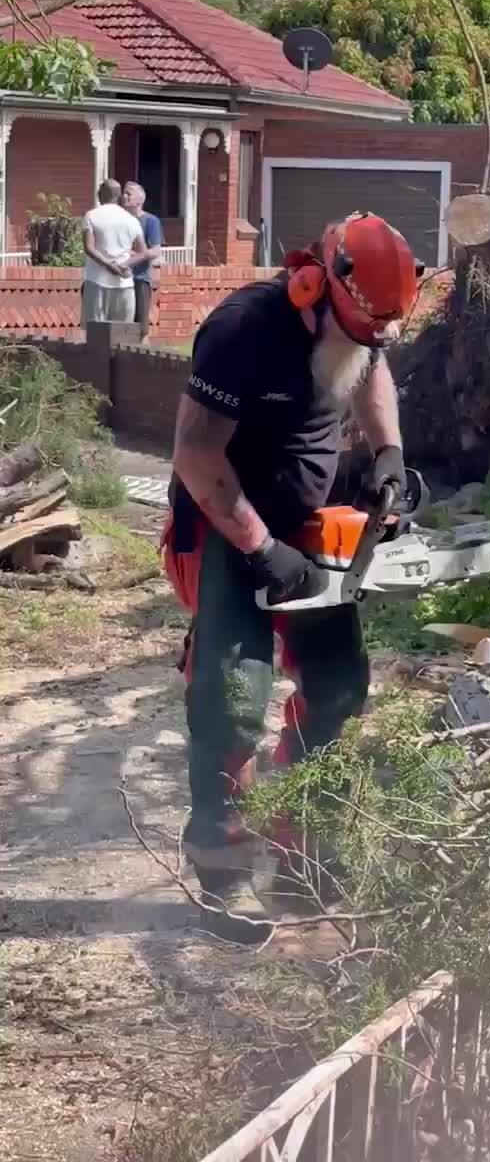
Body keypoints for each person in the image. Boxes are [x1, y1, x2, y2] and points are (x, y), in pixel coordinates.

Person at [163, 211, 424, 881]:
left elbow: (372, 373)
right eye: (359, 329)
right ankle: (221, 861)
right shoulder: (242, 330)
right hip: (224, 524)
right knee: (232, 698)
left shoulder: (362, 320)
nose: (370, 343)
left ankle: (304, 840)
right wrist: (259, 548)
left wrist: (388, 454)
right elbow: (195, 454)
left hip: (309, 524)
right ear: (315, 287)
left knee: (337, 686)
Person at [81, 179, 147, 325]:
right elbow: (143, 252)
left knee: (95, 335)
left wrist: (109, 265)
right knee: (122, 336)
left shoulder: (91, 215)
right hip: (124, 284)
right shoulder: (131, 220)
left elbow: (89, 248)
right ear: (118, 196)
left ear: (100, 194)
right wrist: (124, 264)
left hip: (96, 281)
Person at [122, 181, 164, 343]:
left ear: (140, 199)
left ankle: (143, 358)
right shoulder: (120, 220)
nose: (124, 196)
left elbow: (155, 250)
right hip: (118, 279)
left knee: (141, 327)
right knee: (121, 325)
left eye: (128, 194)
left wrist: (134, 255)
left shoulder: (150, 221)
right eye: (123, 193)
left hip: (140, 279)